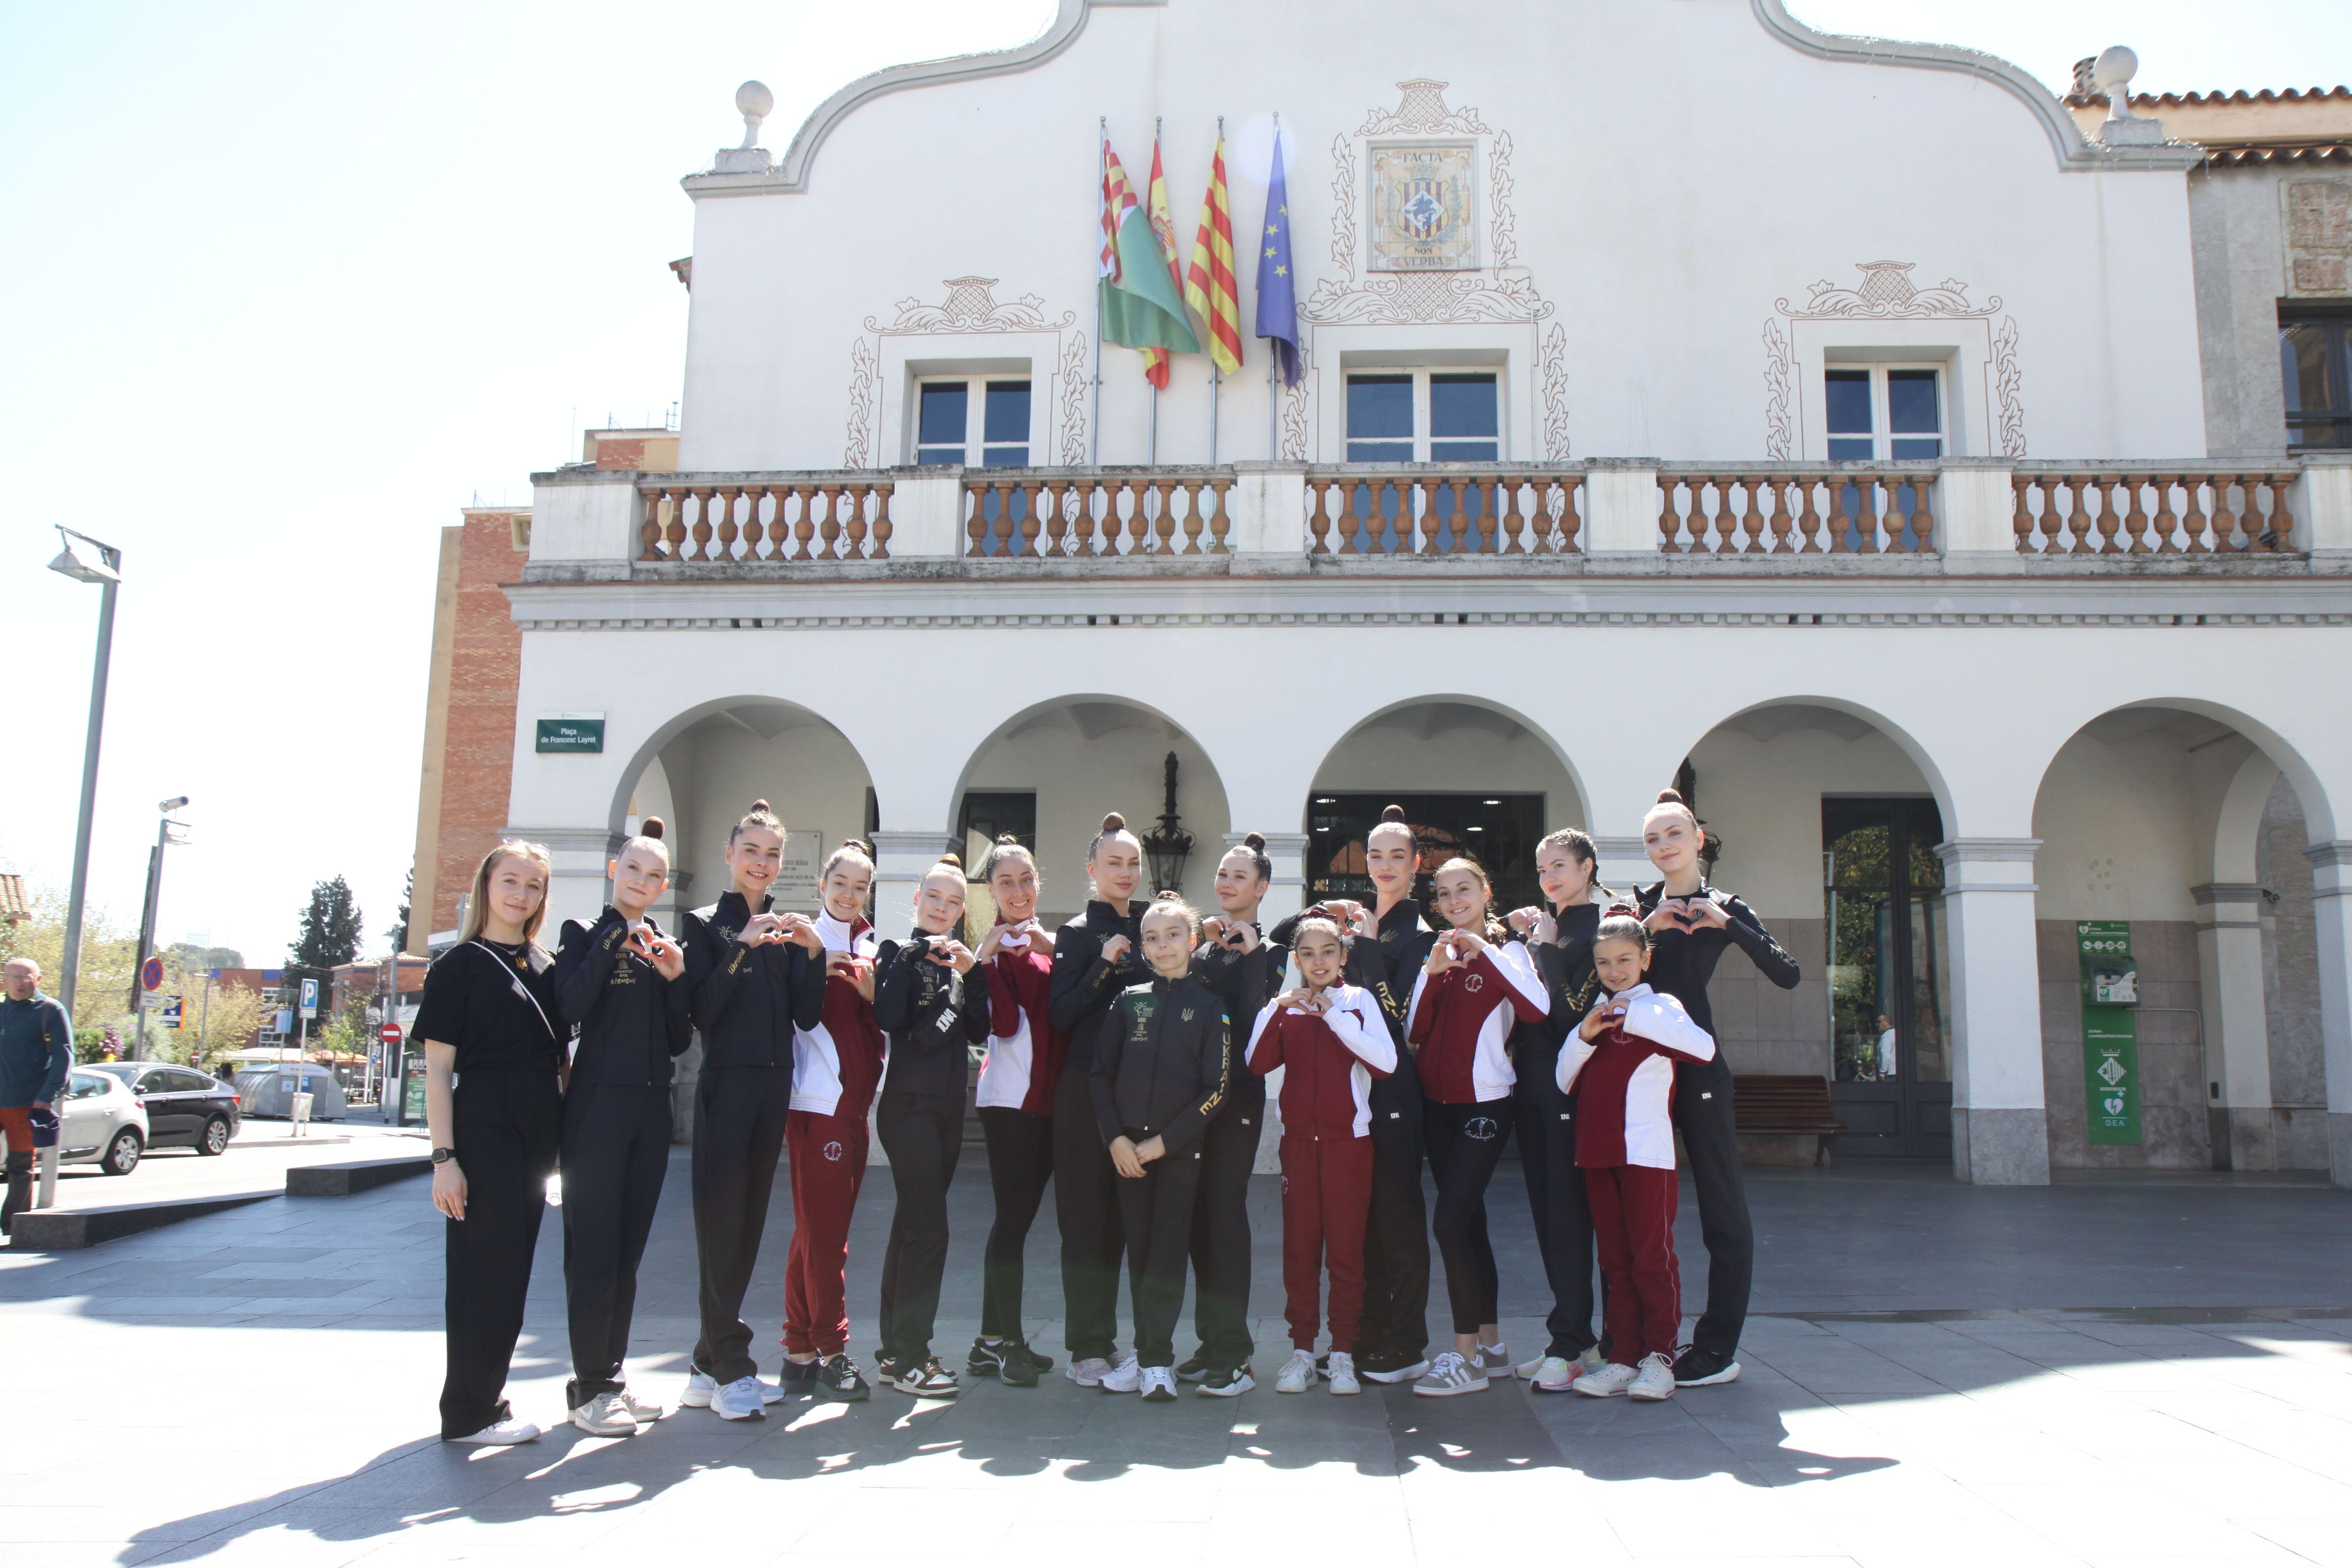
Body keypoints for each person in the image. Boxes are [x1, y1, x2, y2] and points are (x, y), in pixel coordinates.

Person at [1636, 787, 1802, 1390]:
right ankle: (1635, 1340)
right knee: (1637, 1210)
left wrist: (1727, 923)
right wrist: (1646, 929)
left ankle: (1716, 1349)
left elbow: (1788, 974)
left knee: (1722, 1212)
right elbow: (1608, 975)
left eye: (1673, 835)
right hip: (1644, 1072)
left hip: (1700, 1070)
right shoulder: (1639, 907)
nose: (1663, 847)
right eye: (1653, 839)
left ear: (1697, 839)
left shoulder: (1726, 904)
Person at [1271, 803, 1437, 1385]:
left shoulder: (1419, 935)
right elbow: (1281, 937)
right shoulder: (1353, 923)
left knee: (1396, 1218)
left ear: (1417, 864)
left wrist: (1364, 947)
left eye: (1398, 855)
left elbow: (1397, 1021)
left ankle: (1405, 1340)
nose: (1386, 865)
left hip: (1394, 1090)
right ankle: (1358, 1336)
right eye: (1375, 855)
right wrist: (1321, 913)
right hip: (1348, 1101)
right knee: (1355, 1225)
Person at [415, 841, 568, 1445]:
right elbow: (437, 1071)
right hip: (484, 1127)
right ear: (487, 885)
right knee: (484, 1271)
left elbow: (561, 1061)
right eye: (511, 881)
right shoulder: (458, 967)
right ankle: (469, 1411)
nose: (521, 895)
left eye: (533, 886)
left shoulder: (549, 966)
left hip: (536, 1128)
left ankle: (487, 1396)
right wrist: (444, 1160)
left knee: (513, 1271)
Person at [677, 801, 825, 1421]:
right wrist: (740, 946)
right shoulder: (704, 923)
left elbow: (806, 1016)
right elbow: (702, 1012)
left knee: (746, 1226)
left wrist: (813, 952)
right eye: (752, 851)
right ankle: (732, 1365)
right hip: (726, 1088)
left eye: (772, 854)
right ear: (730, 854)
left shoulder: (783, 931)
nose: (762, 863)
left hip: (772, 1090)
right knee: (721, 1226)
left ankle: (707, 1364)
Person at [551, 818, 693, 1436]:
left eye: (654, 874)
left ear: (664, 885)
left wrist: (675, 978)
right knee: (594, 1250)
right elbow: (570, 1006)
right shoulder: (583, 933)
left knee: (629, 1253)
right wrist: (616, 944)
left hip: (649, 1108)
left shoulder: (663, 944)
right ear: (616, 871)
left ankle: (609, 1377)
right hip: (596, 1105)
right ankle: (590, 1387)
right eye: (633, 868)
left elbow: (678, 1037)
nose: (642, 880)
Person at [1404, 857, 1548, 1396]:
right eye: (1443, 894)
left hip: (1485, 1106)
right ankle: (1491, 1346)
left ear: (1486, 893)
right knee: (1468, 1226)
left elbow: (1536, 1008)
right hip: (1436, 1108)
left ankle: (1463, 1357)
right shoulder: (1437, 952)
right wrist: (1432, 973)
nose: (1454, 901)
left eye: (1463, 890)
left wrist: (1487, 951)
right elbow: (1416, 1028)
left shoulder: (1509, 952)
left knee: (1448, 1223)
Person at [1559, 909, 1717, 1402]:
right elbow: (1564, 1079)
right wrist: (1586, 1036)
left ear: (1645, 959)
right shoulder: (1594, 1013)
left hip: (1647, 1153)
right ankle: (1623, 1356)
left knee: (1652, 1257)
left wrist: (1637, 1011)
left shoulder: (1662, 1006)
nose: (1615, 971)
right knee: (1615, 1260)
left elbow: (1704, 1050)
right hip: (1597, 1152)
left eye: (1625, 960)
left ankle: (1660, 1357)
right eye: (1604, 963)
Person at [1244, 915, 1394, 1396]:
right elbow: (1256, 1062)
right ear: (1297, 960)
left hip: (1350, 1144)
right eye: (1308, 953)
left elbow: (1385, 1063)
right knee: (1300, 1250)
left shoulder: (1358, 1001)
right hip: (1298, 1148)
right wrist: (1277, 1006)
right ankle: (1302, 1353)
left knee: (1347, 1252)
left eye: (1328, 951)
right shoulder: (1286, 1009)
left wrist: (1330, 1014)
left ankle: (1344, 1354)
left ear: (1343, 955)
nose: (1319, 961)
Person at [1091, 893, 1230, 1402]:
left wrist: (1163, 1144)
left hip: (1177, 1154)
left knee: (1167, 1255)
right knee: (1141, 1254)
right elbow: (1100, 1073)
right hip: (1127, 1153)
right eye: (1151, 937)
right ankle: (1145, 1351)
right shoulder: (1128, 1001)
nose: (1162, 944)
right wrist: (1117, 1139)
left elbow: (1216, 1089)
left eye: (1172, 934)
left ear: (1192, 941)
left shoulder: (1211, 1006)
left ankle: (1157, 1362)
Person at [871, 854, 991, 1398]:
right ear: (916, 899)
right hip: (908, 1107)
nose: (943, 908)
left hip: (947, 1108)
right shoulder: (896, 953)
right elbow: (890, 1017)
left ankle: (894, 1352)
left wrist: (972, 974)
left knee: (910, 1226)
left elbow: (984, 1028)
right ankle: (914, 1356)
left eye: (954, 900)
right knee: (929, 1230)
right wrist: (913, 956)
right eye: (934, 897)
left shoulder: (961, 963)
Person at [1047, 812, 1152, 1387]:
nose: (1125, 872)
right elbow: (1061, 1014)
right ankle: (1086, 1345)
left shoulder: (1152, 926)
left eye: (1133, 862)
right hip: (1084, 1095)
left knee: (1126, 1225)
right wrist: (1103, 963)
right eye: (1114, 862)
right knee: (1085, 1224)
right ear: (1093, 869)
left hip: (1139, 1097)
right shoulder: (1075, 935)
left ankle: (1127, 1344)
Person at [1503, 828, 1609, 1392]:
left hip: (1570, 1089)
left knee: (1568, 1218)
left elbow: (1570, 1014)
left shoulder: (1596, 930)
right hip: (1532, 1086)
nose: (1550, 878)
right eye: (1543, 869)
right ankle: (1575, 1339)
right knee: (1547, 1217)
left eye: (1561, 866)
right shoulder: (1550, 928)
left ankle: (1572, 1343)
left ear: (1588, 868)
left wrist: (1543, 947)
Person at [1178, 832, 1282, 1397]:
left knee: (1224, 1216)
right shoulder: (1207, 948)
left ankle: (1235, 1355)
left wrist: (1252, 955)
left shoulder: (1269, 953)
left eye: (1239, 876)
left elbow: (1250, 1028)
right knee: (1198, 1218)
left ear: (1262, 888)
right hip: (1195, 1102)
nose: (1226, 883)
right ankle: (1210, 1341)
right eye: (1222, 874)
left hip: (1238, 1100)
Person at [781, 839, 885, 1401]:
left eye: (860, 886)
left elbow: (879, 1027)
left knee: (817, 1231)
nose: (849, 894)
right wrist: (818, 965)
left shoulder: (872, 945)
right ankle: (832, 1349)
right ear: (823, 885)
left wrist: (871, 992)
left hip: (855, 1109)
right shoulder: (804, 942)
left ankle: (798, 1347)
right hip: (817, 1105)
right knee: (826, 1236)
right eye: (840, 883)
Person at [969, 835, 1061, 1387]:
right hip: (1011, 1100)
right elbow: (1001, 1026)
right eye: (1007, 882)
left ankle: (987, 1342)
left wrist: (1054, 949)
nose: (1019, 891)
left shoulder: (1049, 943)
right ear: (991, 891)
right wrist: (986, 961)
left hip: (1047, 1101)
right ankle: (1007, 1342)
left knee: (1016, 1223)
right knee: (1012, 1222)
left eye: (1026, 879)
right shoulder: (996, 950)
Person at [0, 958, 73, 1237]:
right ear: (4, 979)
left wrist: (47, 1095)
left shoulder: (50, 1011)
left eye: (26, 977)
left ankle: (13, 1226)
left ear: (38, 980)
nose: (20, 983)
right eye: (14, 977)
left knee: (20, 1167)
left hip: (26, 1102)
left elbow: (64, 1057)